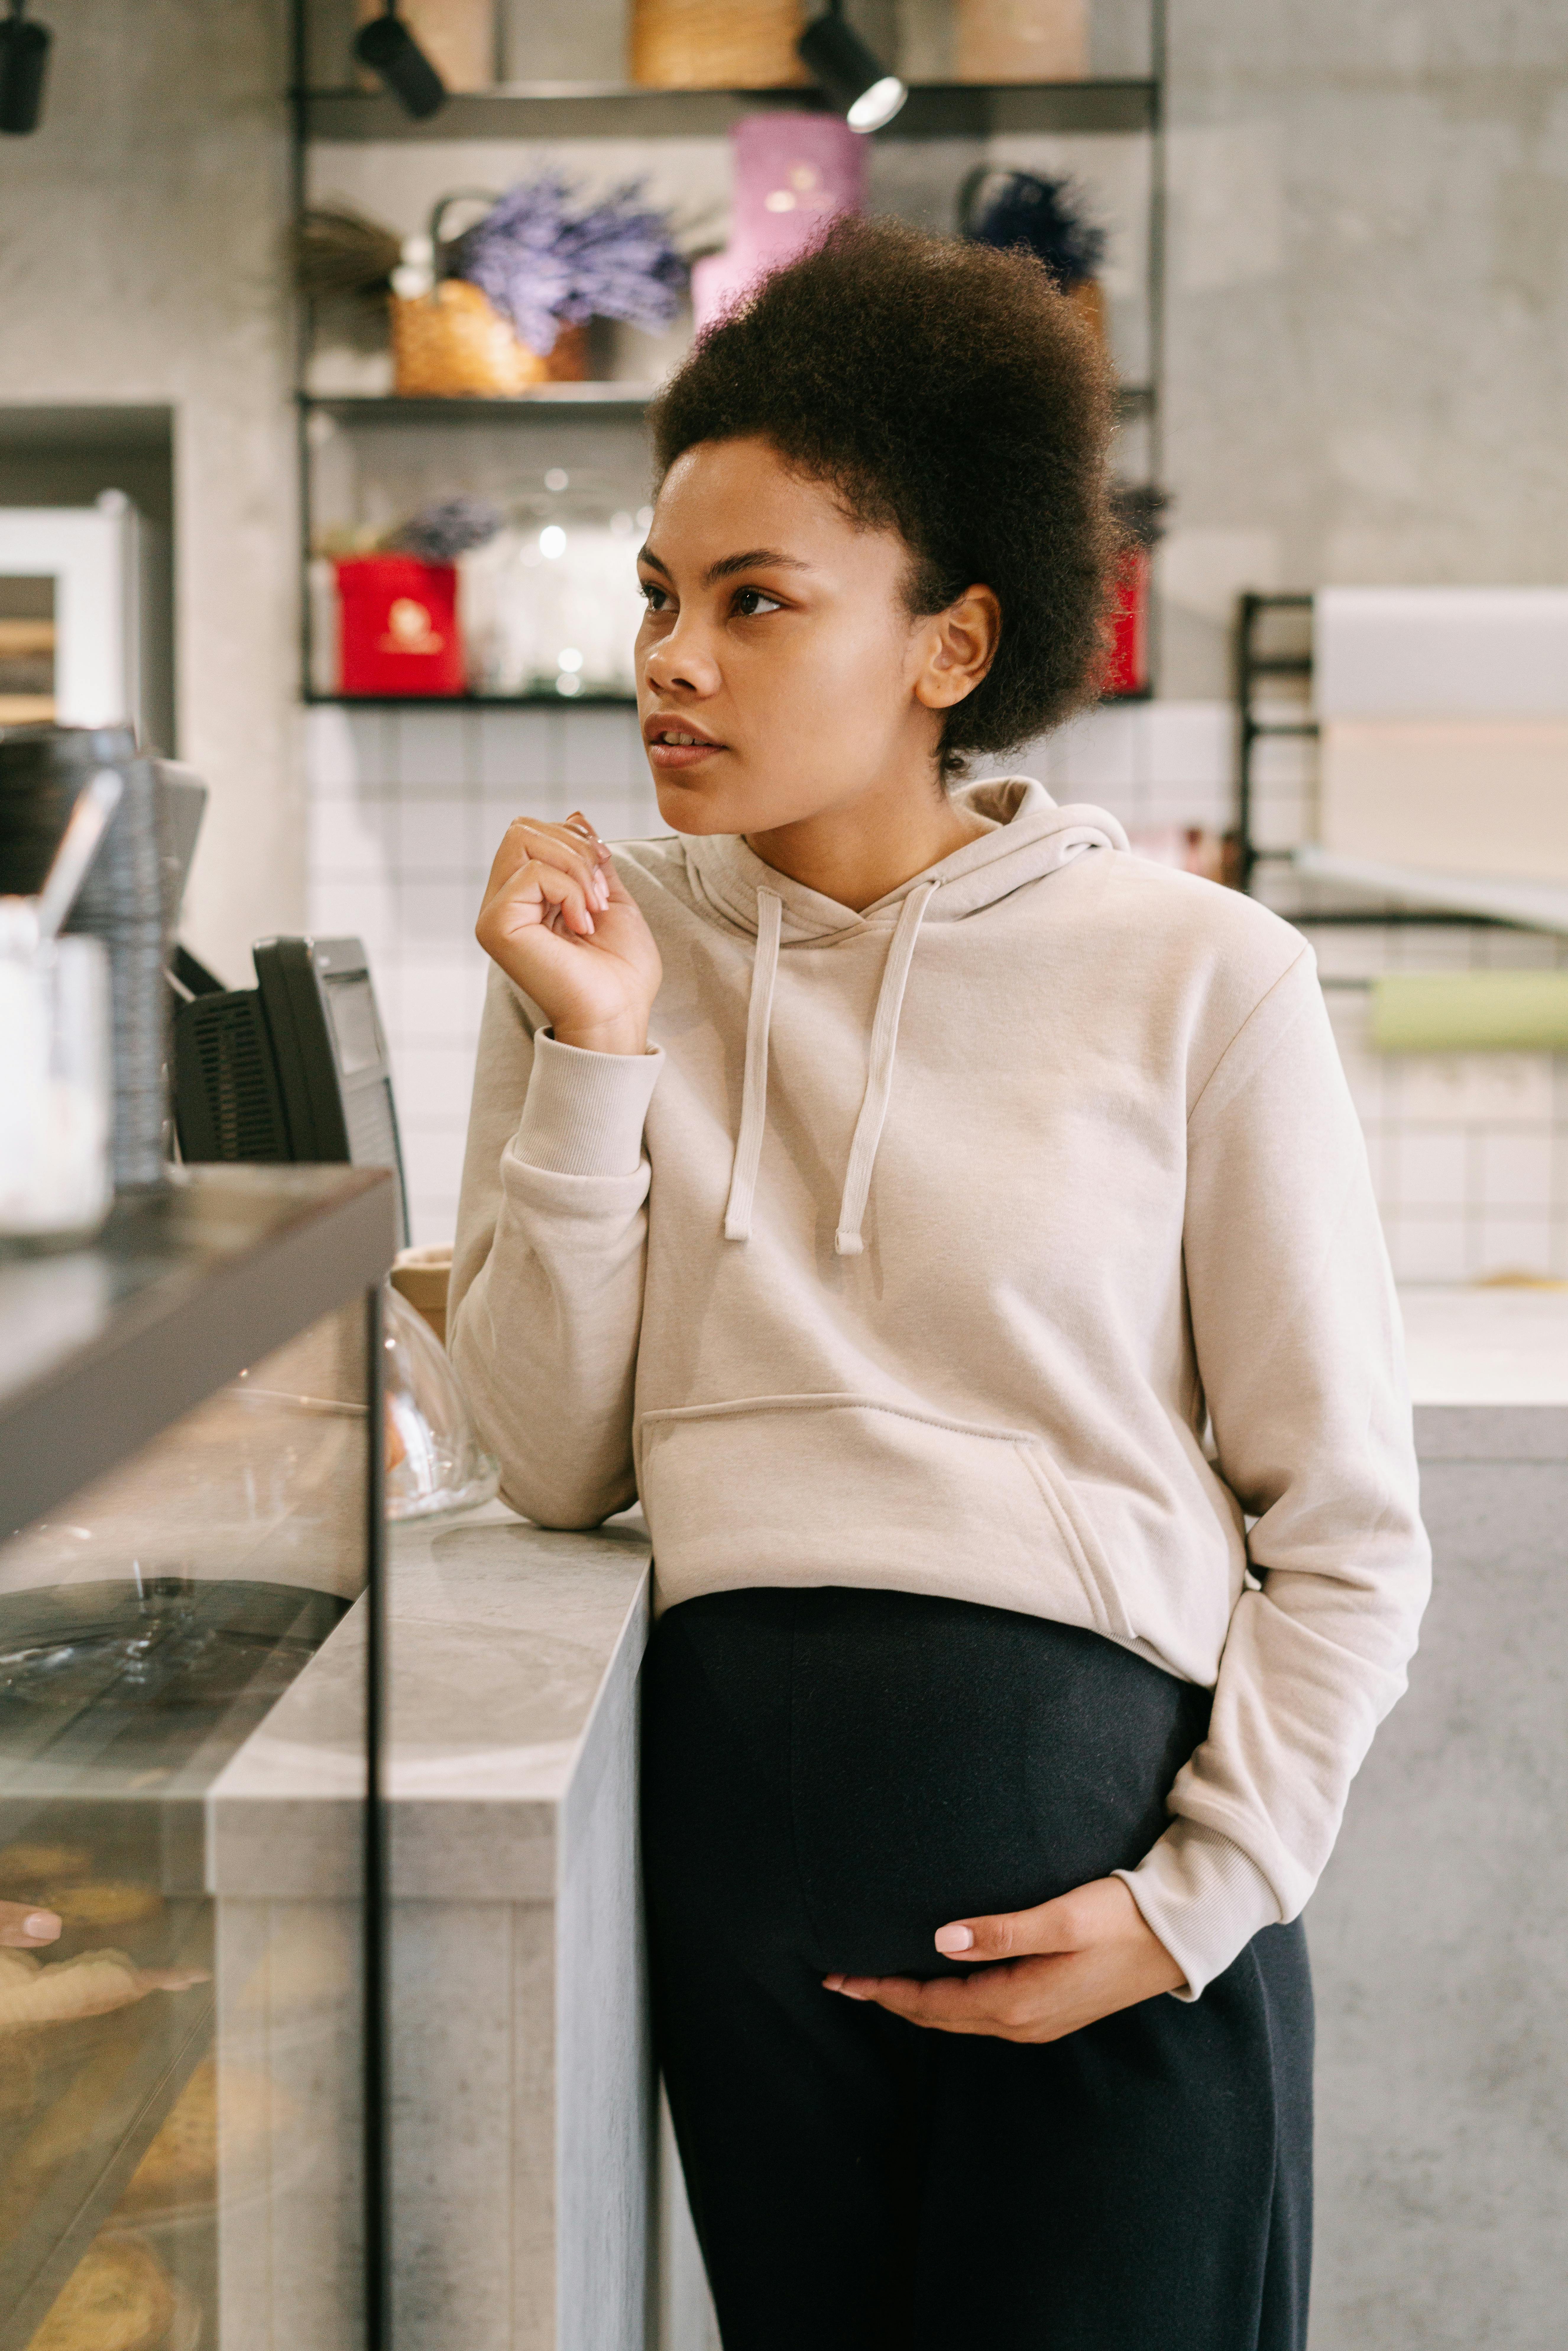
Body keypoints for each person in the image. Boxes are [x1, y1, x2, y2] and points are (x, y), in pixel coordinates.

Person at [449, 218, 1430, 2350]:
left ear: (951, 644)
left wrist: (1196, 1908)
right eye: (655, 596)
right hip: (744, 1934)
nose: (669, 662)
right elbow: (538, 1460)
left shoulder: (1198, 974)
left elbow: (1344, 1531)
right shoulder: (589, 958)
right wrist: (600, 1052)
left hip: (1110, 1937)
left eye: (754, 601)